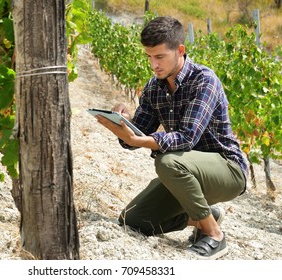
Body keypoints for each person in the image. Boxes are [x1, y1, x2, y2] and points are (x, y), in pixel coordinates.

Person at [94, 16, 247, 260]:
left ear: (180, 51)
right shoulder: (154, 88)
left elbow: (186, 137)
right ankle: (203, 216)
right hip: (186, 172)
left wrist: (138, 140)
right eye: (149, 57)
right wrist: (121, 123)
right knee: (132, 219)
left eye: (160, 56)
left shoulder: (204, 80)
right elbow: (134, 137)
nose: (154, 65)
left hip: (227, 170)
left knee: (167, 161)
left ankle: (214, 235)